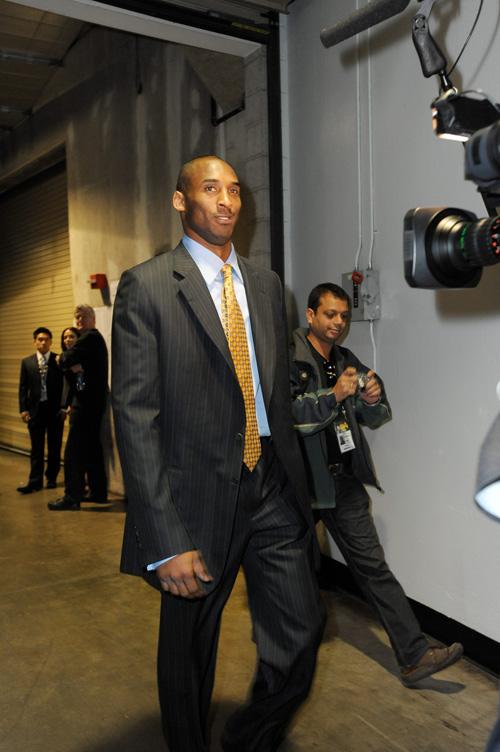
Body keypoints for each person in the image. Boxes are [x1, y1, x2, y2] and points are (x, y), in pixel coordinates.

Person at [111, 155, 324, 752]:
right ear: (181, 201)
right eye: (210, 189)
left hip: (271, 484)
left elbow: (273, 391)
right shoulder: (148, 285)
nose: (227, 200)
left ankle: (248, 740)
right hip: (194, 499)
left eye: (233, 190)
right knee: (189, 656)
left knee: (302, 631)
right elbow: (135, 415)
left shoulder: (267, 286)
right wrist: (164, 538)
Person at [290, 282, 463, 686]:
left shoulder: (345, 359)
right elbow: (290, 417)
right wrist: (334, 396)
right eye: (330, 314)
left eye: (343, 316)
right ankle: (285, 663)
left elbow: (373, 415)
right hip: (299, 485)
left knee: (374, 568)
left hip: (344, 483)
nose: (338, 322)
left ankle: (414, 656)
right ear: (311, 315)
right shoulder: (289, 359)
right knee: (292, 576)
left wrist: (371, 399)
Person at [48, 306, 108, 510]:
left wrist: (61, 359)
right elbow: (78, 375)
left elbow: (64, 358)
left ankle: (72, 497)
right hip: (92, 404)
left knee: (73, 452)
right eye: (77, 317)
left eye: (84, 317)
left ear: (93, 319)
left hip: (85, 406)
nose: (79, 320)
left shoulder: (89, 337)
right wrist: (76, 368)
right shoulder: (93, 340)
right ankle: (98, 492)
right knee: (92, 449)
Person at [17, 327, 64, 493]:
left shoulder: (58, 360)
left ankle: (51, 478)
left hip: (55, 411)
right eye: (40, 339)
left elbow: (67, 384)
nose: (43, 342)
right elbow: (23, 388)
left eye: (46, 339)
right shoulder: (27, 362)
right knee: (36, 448)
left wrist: (65, 406)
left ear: (51, 342)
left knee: (54, 447)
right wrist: (23, 409)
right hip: (35, 411)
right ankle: (34, 481)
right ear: (35, 342)